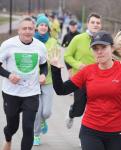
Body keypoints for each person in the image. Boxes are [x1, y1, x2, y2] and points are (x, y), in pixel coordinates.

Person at [49, 30, 121, 150]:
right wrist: (55, 69)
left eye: (103, 47)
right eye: (95, 48)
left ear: (111, 48)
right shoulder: (87, 71)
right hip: (91, 130)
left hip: (118, 132)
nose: (99, 52)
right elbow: (61, 90)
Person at [0, 17, 48, 150]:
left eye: (30, 28)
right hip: (11, 92)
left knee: (28, 127)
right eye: (24, 28)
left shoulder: (40, 46)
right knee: (12, 127)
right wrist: (8, 75)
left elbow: (44, 65)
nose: (27, 31)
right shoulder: (8, 45)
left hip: (31, 92)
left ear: (35, 30)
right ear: (18, 30)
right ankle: (8, 138)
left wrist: (43, 75)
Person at [64, 12, 102, 129]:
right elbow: (67, 56)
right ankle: (71, 113)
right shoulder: (78, 38)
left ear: (101, 25)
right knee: (79, 109)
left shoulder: (103, 40)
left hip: (97, 80)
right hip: (80, 79)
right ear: (87, 24)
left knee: (93, 110)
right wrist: (77, 64)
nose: (95, 25)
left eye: (98, 23)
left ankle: (86, 137)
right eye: (93, 22)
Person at [33, 14, 58, 146]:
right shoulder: (31, 40)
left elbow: (55, 59)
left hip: (48, 81)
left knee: (46, 112)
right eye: (41, 24)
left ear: (48, 28)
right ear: (37, 27)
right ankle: (36, 135)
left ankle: (44, 120)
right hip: (33, 82)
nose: (43, 27)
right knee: (37, 110)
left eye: (45, 25)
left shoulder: (53, 42)